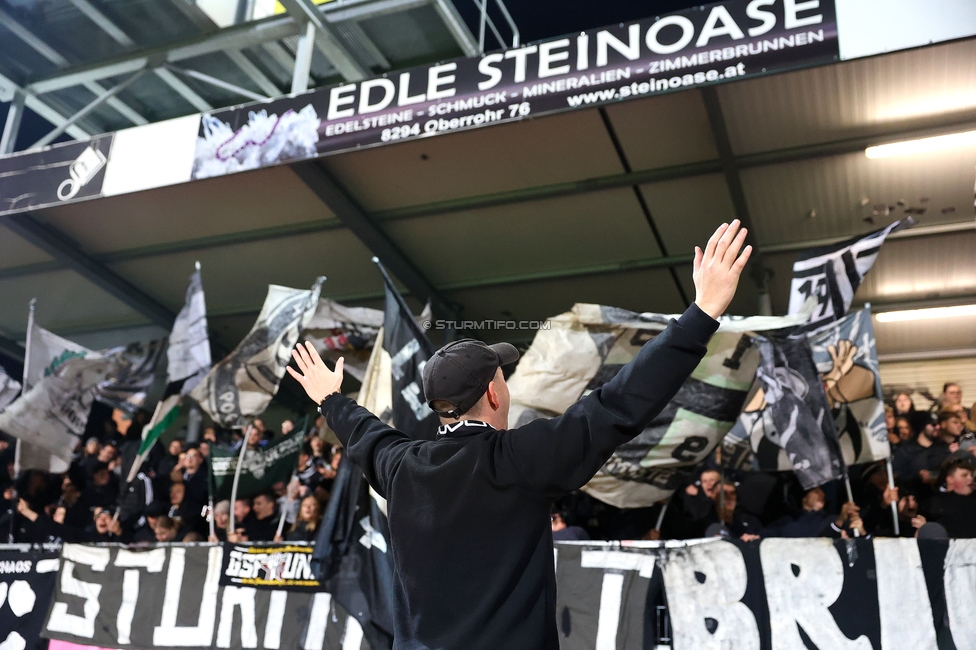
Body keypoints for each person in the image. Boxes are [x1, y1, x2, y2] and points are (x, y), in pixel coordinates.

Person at [287, 221, 751, 649]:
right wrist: (702, 313)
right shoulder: (520, 460)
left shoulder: (401, 466)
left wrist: (330, 399)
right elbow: (619, 403)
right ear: (493, 392)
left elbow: (363, 431)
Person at [913, 459, 976, 538]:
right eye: (964, 475)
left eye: (971, 475)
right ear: (950, 479)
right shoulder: (934, 502)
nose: (970, 478)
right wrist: (925, 528)